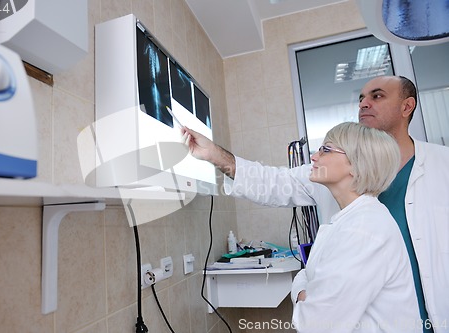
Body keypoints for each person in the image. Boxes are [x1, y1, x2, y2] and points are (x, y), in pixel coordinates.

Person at [182, 75, 449, 332]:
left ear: (407, 106)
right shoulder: (337, 183)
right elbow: (272, 182)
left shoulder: (441, 164)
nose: (363, 104)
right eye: (361, 98)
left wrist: (302, 288)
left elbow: (315, 317)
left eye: (377, 96)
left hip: (432, 310)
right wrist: (214, 155)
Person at [291, 121, 419, 332]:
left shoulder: (364, 229)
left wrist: (300, 291)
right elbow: (308, 279)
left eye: (326, 149)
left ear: (357, 164)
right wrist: (305, 293)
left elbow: (316, 324)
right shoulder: (349, 220)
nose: (314, 156)